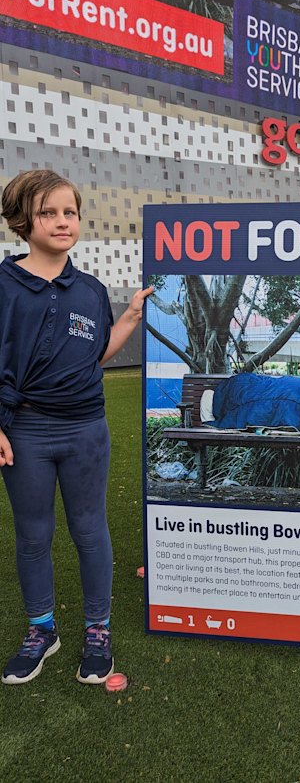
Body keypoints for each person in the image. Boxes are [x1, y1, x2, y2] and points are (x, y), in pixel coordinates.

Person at [0, 169, 153, 685]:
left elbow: (94, 355)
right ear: (23, 220)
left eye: (70, 212)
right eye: (48, 212)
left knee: (89, 529)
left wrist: (129, 318)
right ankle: (42, 629)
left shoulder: (90, 290)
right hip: (24, 432)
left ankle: (97, 629)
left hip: (86, 429)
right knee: (33, 534)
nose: (62, 221)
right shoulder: (4, 286)